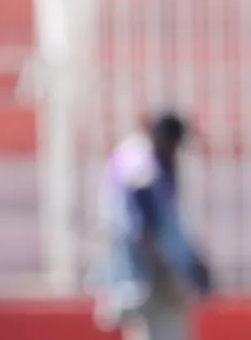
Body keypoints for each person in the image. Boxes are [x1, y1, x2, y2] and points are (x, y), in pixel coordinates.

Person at [91, 110, 212, 340]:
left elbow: (170, 220)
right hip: (140, 256)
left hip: (155, 257)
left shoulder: (158, 162)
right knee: (140, 307)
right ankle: (123, 296)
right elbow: (139, 213)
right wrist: (163, 254)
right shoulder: (137, 156)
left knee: (166, 320)